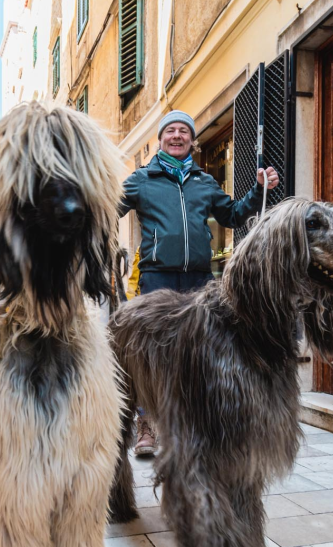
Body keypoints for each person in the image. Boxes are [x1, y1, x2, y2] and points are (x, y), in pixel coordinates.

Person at [119, 110, 279, 454]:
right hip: (157, 277)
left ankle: (195, 425)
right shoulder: (142, 179)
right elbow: (106, 208)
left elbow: (234, 215)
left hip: (200, 282)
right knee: (152, 355)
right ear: (160, 139)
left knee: (200, 352)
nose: (177, 136)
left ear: (192, 140)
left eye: (183, 132)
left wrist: (258, 189)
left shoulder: (203, 182)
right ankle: (146, 427)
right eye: (170, 131)